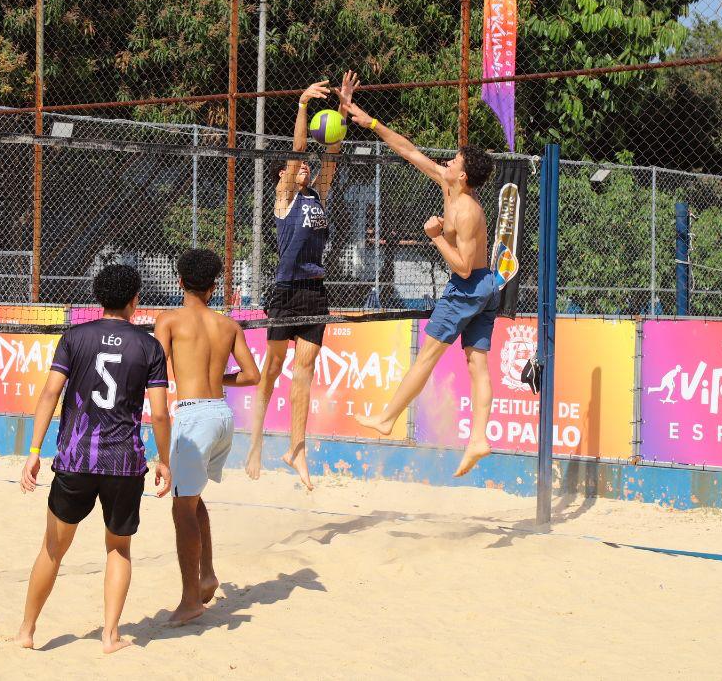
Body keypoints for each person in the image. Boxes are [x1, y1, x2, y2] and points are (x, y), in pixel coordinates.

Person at [16, 264, 173, 654]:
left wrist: (34, 452)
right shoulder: (149, 347)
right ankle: (110, 636)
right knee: (118, 548)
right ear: (135, 300)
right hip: (124, 462)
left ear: (99, 297)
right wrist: (164, 460)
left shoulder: (75, 337)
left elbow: (50, 393)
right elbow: (160, 413)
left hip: (75, 458)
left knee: (53, 549)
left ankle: (27, 631)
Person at [339, 97, 498, 477]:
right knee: (477, 363)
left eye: (454, 161)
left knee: (426, 358)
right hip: (484, 285)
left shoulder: (466, 210)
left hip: (468, 286)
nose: (448, 162)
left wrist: (435, 236)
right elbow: (408, 150)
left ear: (463, 176)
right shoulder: (449, 185)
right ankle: (478, 439)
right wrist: (370, 121)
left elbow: (462, 267)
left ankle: (387, 419)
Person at [245, 74, 352, 490]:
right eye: (298, 167)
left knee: (304, 372)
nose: (306, 167)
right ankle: (255, 443)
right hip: (285, 292)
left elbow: (332, 154)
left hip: (315, 291)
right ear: (283, 177)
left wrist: (342, 110)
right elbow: (297, 151)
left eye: (308, 166)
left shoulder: (317, 195)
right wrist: (303, 105)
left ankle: (297, 449)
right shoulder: (285, 196)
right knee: (271, 371)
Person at [154, 248, 260, 626]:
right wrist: (219, 378)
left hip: (194, 415)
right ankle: (208, 574)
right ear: (214, 286)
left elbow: (154, 369)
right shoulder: (228, 325)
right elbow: (252, 376)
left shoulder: (168, 320)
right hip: (221, 415)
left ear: (180, 281)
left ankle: (190, 600)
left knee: (181, 508)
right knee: (193, 498)